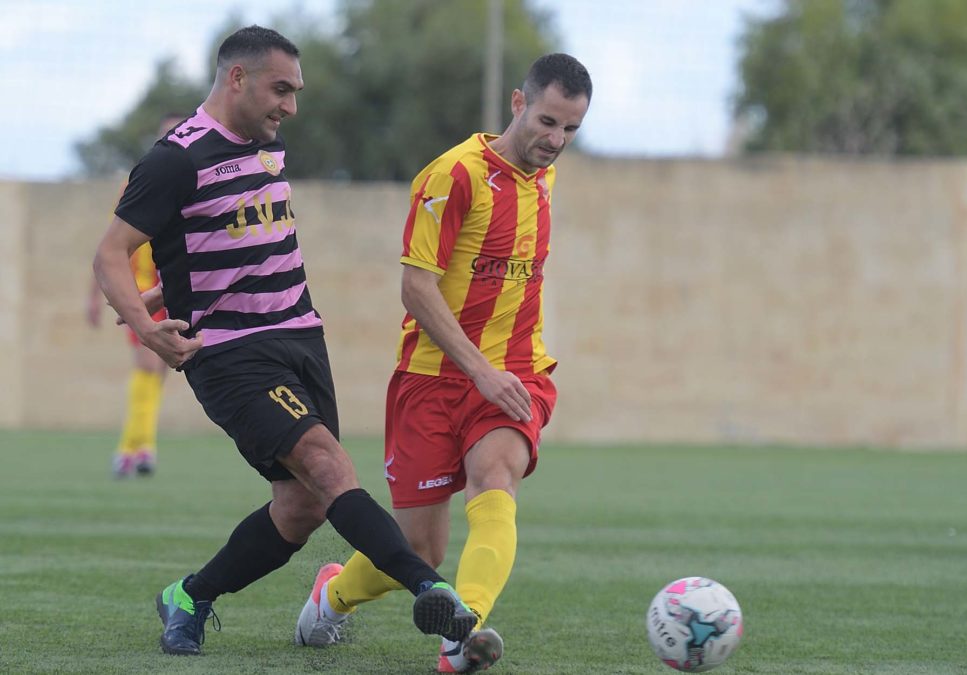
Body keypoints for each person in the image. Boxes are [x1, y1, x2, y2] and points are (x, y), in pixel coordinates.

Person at [92, 25, 476, 656]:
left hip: (301, 334)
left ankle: (188, 595)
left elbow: (228, 232)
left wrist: (176, 286)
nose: (290, 106)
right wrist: (148, 327)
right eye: (280, 90)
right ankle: (435, 594)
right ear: (236, 78)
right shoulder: (173, 158)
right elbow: (110, 255)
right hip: (230, 351)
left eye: (296, 93)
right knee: (328, 466)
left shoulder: (268, 142)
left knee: (301, 507)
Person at [294, 53, 592, 672]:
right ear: (517, 102)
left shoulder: (544, 178)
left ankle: (464, 633)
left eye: (570, 129)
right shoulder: (452, 176)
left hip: (515, 374)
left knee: (498, 473)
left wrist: (495, 374)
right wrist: (478, 369)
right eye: (547, 121)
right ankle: (335, 593)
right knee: (418, 550)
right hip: (431, 380)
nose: (555, 140)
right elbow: (415, 289)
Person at [87, 114, 185, 478]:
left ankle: (134, 447)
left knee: (157, 372)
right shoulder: (140, 181)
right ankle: (137, 451)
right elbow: (110, 246)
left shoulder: (194, 181)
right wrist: (96, 296)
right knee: (149, 365)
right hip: (141, 291)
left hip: (173, 289)